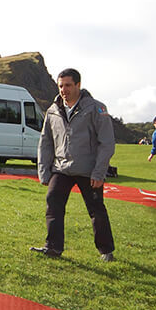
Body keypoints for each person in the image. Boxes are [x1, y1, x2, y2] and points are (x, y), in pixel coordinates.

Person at [33, 68, 116, 261]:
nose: (64, 90)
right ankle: (53, 247)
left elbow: (107, 143)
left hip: (89, 170)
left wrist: (99, 172)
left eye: (68, 85)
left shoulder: (96, 108)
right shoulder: (52, 110)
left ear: (78, 85)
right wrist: (44, 171)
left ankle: (106, 251)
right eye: (61, 86)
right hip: (61, 168)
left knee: (96, 210)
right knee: (53, 204)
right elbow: (45, 142)